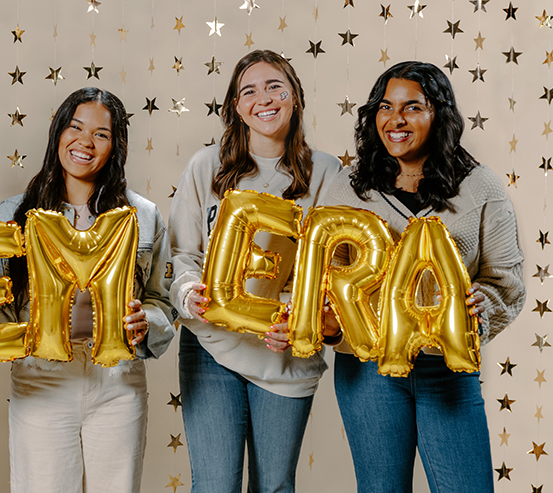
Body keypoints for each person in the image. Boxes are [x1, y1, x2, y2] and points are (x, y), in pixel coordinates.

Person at [326, 61, 525, 492]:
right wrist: (328, 322)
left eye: (412, 107)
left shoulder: (481, 187)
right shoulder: (348, 188)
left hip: (446, 370)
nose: (395, 120)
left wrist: (481, 307)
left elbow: (505, 280)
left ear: (439, 114)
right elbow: (327, 279)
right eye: (385, 106)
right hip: (368, 372)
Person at [0, 87, 174, 493]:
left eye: (101, 134)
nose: (85, 142)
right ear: (58, 134)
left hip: (117, 379)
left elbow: (161, 299)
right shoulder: (13, 215)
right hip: (42, 378)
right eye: (76, 127)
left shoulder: (144, 216)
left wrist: (146, 323)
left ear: (116, 146)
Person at [169, 50, 341, 492]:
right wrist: (191, 294)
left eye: (274, 87)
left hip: (282, 355)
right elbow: (181, 256)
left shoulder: (326, 173)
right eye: (249, 91)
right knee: (214, 484)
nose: (263, 99)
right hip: (211, 346)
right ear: (236, 107)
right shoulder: (205, 166)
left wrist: (295, 318)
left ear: (295, 97)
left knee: (275, 486)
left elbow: (334, 271)